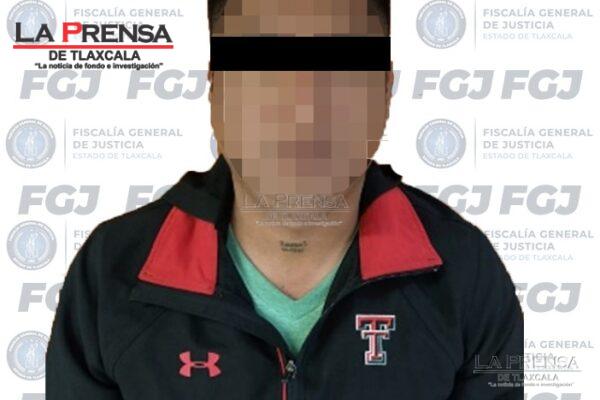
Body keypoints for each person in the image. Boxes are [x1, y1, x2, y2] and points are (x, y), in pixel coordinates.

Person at [46, 0, 524, 398]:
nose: (304, 109)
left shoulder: (467, 272)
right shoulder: (111, 272)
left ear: (384, 90)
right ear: (216, 90)